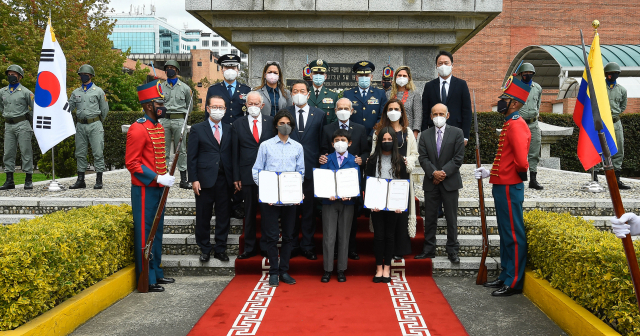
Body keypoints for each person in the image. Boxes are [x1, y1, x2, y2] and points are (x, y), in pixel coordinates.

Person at [474, 75, 531, 297]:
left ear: (515, 103)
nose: (502, 102)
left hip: (509, 186)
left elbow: (521, 162)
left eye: (505, 99)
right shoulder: (509, 123)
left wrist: (509, 177)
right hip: (502, 184)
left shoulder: (516, 125)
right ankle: (506, 275)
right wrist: (492, 172)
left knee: (514, 235)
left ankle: (514, 282)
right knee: (506, 233)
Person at [125, 79, 176, 292]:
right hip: (145, 189)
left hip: (157, 188)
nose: (161, 107)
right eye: (158, 103)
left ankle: (156, 272)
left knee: (157, 231)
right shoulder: (138, 129)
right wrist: (157, 177)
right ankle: (146, 278)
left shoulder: (156, 126)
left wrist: (163, 177)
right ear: (148, 106)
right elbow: (132, 163)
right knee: (145, 234)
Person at [252, 109, 305, 287]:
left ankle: (284, 270)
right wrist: (265, 189)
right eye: (281, 123)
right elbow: (256, 170)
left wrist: (298, 190)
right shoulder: (266, 145)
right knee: (272, 236)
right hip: (270, 199)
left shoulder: (298, 147)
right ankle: (273, 272)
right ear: (276, 125)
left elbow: (301, 172)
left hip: (290, 199)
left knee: (289, 236)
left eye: (288, 123)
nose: (285, 126)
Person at [319, 98, 370, 260]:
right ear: (335, 110)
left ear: (352, 110)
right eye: (340, 108)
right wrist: (322, 158)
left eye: (346, 108)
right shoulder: (327, 129)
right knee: (332, 221)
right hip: (332, 179)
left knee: (351, 217)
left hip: (351, 181)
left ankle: (351, 249)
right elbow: (323, 150)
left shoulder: (360, 129)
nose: (343, 110)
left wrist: (362, 158)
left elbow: (366, 151)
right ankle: (333, 250)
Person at [187, 95, 234, 263]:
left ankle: (220, 248)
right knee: (203, 215)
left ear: (226, 110)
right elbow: (191, 156)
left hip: (224, 180)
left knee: (223, 216)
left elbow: (233, 155)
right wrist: (194, 179)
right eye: (215, 107)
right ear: (207, 108)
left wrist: (235, 178)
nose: (218, 110)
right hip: (204, 180)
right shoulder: (198, 129)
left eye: (221, 107)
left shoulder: (230, 129)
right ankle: (205, 248)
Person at [415, 103, 464, 263]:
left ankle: (453, 250)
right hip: (431, 182)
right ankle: (428, 249)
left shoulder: (457, 133)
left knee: (451, 218)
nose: (438, 117)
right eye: (435, 114)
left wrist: (442, 173)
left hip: (450, 182)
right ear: (430, 116)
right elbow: (422, 157)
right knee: (430, 218)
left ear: (447, 115)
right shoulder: (425, 134)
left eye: (441, 114)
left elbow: (458, 158)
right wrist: (433, 173)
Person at [371, 98, 419, 260]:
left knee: (399, 213)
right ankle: (383, 249)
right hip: (383, 177)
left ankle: (400, 248)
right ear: (385, 112)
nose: (393, 112)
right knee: (384, 213)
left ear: (401, 112)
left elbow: (414, 154)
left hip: (402, 178)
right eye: (390, 109)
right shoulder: (379, 131)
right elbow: (373, 153)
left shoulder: (408, 132)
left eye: (396, 109)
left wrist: (409, 161)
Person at [231, 91, 275, 259]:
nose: (253, 107)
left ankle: (265, 246)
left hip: (268, 174)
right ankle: (249, 248)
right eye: (250, 104)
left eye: (257, 104)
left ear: (262, 106)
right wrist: (237, 176)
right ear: (246, 105)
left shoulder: (271, 122)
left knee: (266, 212)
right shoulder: (238, 124)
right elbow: (234, 152)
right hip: (246, 174)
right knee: (249, 213)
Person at [366, 127, 410, 283]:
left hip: (394, 205)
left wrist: (401, 204)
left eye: (389, 140)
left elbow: (404, 184)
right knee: (378, 236)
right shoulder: (372, 160)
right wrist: (371, 201)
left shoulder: (400, 160)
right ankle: (378, 267)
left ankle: (387, 268)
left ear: (394, 141)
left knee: (390, 236)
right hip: (376, 204)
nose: (386, 142)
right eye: (383, 140)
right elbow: (368, 182)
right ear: (379, 141)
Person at [288, 80, 326, 260]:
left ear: (308, 94)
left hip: (311, 168)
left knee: (309, 210)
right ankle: (293, 244)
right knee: (292, 210)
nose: (298, 93)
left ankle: (308, 245)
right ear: (291, 94)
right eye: (295, 90)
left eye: (302, 90)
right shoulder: (285, 114)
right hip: (290, 171)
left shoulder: (319, 114)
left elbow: (322, 142)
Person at [319, 129, 359, 283]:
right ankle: (327, 269)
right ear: (332, 143)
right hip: (329, 202)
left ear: (349, 143)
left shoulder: (354, 161)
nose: (339, 143)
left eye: (343, 140)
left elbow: (357, 182)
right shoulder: (326, 159)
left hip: (347, 202)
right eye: (337, 140)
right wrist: (325, 192)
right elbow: (323, 180)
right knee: (329, 237)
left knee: (344, 235)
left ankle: (341, 269)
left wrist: (353, 194)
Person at [67, 64, 109, 190]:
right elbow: (69, 107)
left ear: (91, 76)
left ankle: (99, 179)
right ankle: (80, 180)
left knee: (98, 152)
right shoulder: (76, 92)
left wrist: (97, 121)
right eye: (81, 75)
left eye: (86, 74)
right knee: (80, 153)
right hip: (80, 125)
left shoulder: (99, 91)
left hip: (95, 124)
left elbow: (105, 110)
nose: (83, 76)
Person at [421, 51, 472, 144]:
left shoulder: (461, 84)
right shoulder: (429, 86)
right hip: (433, 130)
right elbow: (425, 111)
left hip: (456, 129)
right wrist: (424, 133)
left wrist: (465, 136)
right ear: (436, 66)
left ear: (452, 65)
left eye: (446, 63)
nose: (443, 65)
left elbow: (467, 111)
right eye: (440, 63)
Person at [159, 60, 192, 190]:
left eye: (172, 68)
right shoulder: (160, 87)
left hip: (179, 120)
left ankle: (183, 179)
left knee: (181, 150)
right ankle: (164, 177)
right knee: (163, 149)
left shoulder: (185, 88)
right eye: (167, 68)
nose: (170, 70)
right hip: (165, 120)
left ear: (177, 71)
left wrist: (184, 120)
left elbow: (190, 106)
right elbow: (158, 104)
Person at [0, 65, 34, 190]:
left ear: (20, 77)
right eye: (9, 74)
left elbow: (35, 108)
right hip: (8, 125)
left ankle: (28, 179)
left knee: (26, 151)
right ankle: (9, 180)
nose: (11, 76)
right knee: (8, 152)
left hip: (22, 124)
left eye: (13, 74)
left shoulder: (26, 92)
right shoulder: (2, 92)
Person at [343, 61, 387, 139]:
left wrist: (373, 134)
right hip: (353, 137)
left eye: (367, 75)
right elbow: (345, 117)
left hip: (374, 136)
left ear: (371, 77)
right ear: (356, 78)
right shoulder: (348, 94)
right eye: (361, 75)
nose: (364, 78)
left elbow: (383, 117)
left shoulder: (380, 93)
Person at [603, 62, 630, 190]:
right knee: (600, 148)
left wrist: (615, 114)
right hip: (602, 123)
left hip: (615, 122)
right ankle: (596, 177)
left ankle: (617, 179)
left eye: (616, 73)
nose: (613, 75)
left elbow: (623, 106)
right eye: (611, 73)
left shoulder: (622, 90)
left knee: (618, 149)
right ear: (606, 74)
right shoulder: (599, 87)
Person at [517, 63, 543, 190]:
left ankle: (533, 179)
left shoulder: (537, 88)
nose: (527, 75)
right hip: (519, 124)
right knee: (519, 152)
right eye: (525, 73)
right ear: (521, 74)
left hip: (533, 123)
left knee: (534, 152)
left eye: (530, 73)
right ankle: (519, 178)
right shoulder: (515, 87)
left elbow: (538, 105)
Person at [205, 54, 251, 125]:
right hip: (220, 129)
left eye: (233, 68)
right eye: (227, 67)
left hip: (240, 129)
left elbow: (249, 113)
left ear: (237, 70)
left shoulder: (246, 89)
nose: (230, 71)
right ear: (222, 70)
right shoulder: (213, 90)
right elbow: (207, 113)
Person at [387, 66, 422, 138]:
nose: (401, 77)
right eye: (399, 75)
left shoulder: (414, 93)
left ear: (409, 78)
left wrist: (414, 134)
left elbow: (418, 116)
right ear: (395, 77)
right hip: (391, 132)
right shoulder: (388, 94)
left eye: (404, 76)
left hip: (408, 132)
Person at [307, 59, 339, 125]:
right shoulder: (305, 93)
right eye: (315, 73)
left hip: (326, 131)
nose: (318, 76)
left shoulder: (333, 95)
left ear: (325, 77)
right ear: (311, 76)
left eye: (321, 73)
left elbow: (335, 117)